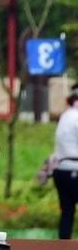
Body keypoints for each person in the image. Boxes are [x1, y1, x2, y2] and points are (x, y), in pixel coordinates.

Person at [47, 92, 78, 239]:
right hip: (74, 169)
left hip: (60, 170)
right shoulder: (76, 117)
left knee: (67, 211)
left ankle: (63, 248)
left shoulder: (65, 116)